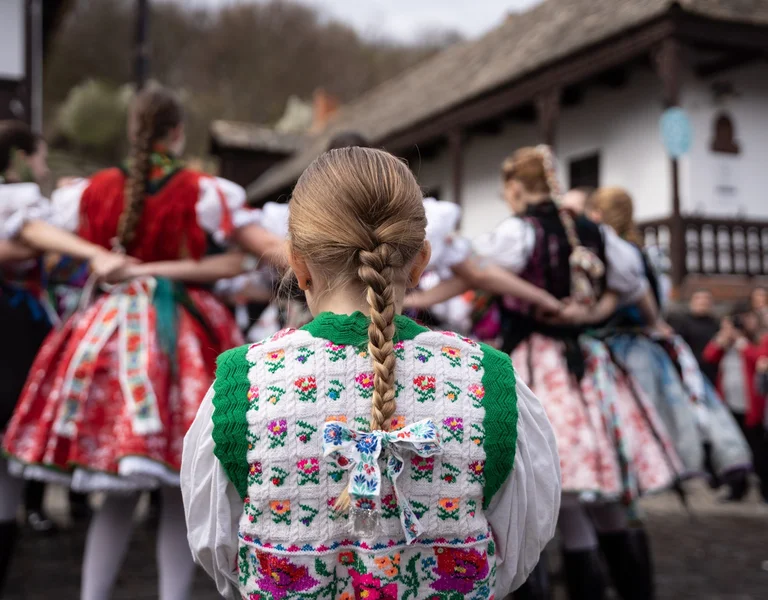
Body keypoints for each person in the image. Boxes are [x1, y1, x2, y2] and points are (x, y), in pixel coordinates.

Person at [181, 147, 561, 599]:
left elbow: (218, 550)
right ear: (420, 262)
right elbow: (520, 546)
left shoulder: (242, 384)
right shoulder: (488, 380)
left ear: (298, 265)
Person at [2, 86, 282, 600]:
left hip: (110, 330)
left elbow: (22, 234)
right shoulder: (202, 190)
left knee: (117, 497)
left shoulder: (92, 190)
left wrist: (101, 258)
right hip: (184, 334)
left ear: (133, 129)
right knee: (178, 492)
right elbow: (241, 258)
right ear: (176, 133)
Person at [465, 147, 682, 600]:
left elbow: (477, 269)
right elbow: (638, 289)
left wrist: (547, 304)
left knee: (563, 495)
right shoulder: (593, 232)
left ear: (516, 188)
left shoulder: (519, 231)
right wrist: (592, 310)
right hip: (589, 362)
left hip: (541, 361)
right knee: (603, 501)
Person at [0, 120, 131, 595]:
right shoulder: (16, 201)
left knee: (10, 461)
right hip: (13, 334)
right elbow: (31, 232)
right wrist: (91, 253)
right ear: (17, 157)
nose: (43, 166)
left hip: (23, 334)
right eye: (37, 156)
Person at [590, 187, 751, 490]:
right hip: (643, 346)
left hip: (622, 348)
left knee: (630, 425)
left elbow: (635, 302)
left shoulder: (619, 254)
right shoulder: (643, 254)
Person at [703, 305, 768, 502]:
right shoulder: (726, 342)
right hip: (728, 404)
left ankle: (766, 491)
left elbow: (760, 360)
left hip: (751, 406)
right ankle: (736, 490)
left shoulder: (758, 340)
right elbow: (709, 357)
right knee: (733, 450)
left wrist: (742, 342)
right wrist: (722, 338)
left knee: (759, 452)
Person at [668, 290, 721, 385]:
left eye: (706, 299)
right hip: (688, 373)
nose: (703, 302)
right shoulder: (681, 322)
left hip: (711, 373)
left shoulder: (717, 325)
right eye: (699, 298)